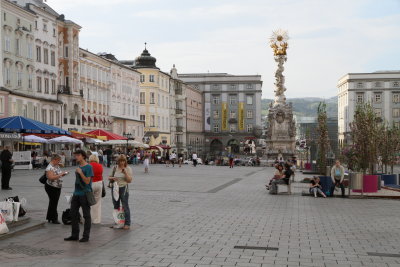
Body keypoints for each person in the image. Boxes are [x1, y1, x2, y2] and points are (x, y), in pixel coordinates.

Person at [65, 150, 94, 242]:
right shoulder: (79, 166)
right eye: (75, 155)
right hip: (76, 194)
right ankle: (74, 235)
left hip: (85, 194)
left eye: (78, 155)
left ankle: (86, 236)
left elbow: (87, 182)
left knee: (86, 215)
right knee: (73, 214)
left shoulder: (88, 167)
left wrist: (80, 173)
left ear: (83, 156)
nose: (76, 157)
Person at [109, 155, 133, 229]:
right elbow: (109, 177)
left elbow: (129, 180)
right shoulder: (115, 168)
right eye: (120, 161)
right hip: (115, 188)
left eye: (123, 161)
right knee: (116, 205)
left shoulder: (128, 168)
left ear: (125, 161)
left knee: (125, 205)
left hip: (123, 188)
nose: (122, 162)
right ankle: (117, 222)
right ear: (118, 161)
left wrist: (125, 172)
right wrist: (113, 178)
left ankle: (127, 223)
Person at [45, 154, 69, 224]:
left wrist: (62, 174)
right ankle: (54, 218)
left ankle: (50, 217)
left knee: (53, 202)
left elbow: (57, 174)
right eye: (58, 160)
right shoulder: (49, 167)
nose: (59, 162)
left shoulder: (56, 166)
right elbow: (50, 177)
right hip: (51, 187)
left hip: (57, 186)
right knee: (53, 202)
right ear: (54, 160)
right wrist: (60, 175)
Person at [89, 154, 103, 224]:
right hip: (99, 184)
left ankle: (87, 218)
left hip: (91, 184)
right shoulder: (100, 166)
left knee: (87, 202)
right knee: (97, 202)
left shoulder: (88, 166)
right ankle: (96, 220)